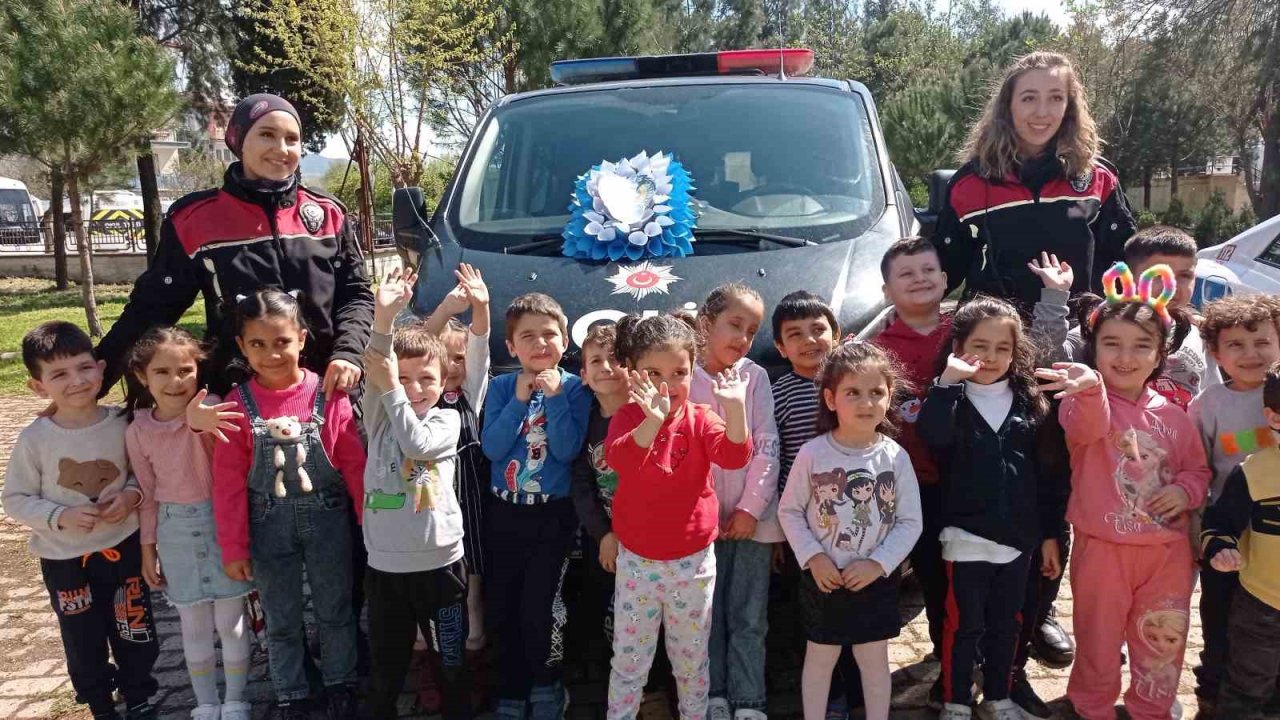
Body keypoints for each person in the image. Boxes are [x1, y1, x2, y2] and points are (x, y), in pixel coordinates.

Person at [95, 93, 373, 398]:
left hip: (330, 391)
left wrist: (348, 353)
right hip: (241, 399)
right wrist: (93, 379)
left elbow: (356, 294)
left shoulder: (329, 212)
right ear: (238, 140)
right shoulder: (193, 218)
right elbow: (151, 308)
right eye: (267, 134)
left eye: (292, 139)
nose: (281, 148)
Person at [1037, 261, 1210, 720]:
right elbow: (1090, 427)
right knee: (1097, 635)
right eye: (1111, 344)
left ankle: (1150, 707)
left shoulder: (1176, 414)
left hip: (1168, 554)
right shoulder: (1081, 401)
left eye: (1141, 346)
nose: (1125, 357)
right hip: (1103, 548)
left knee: (1161, 634)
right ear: (1094, 350)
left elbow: (1197, 470)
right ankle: (1092, 706)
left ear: (1161, 355)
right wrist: (1091, 388)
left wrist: (1186, 493)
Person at [211, 289, 367, 720]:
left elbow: (353, 462)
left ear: (301, 338)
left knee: (335, 609)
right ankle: (292, 691)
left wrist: (366, 521)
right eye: (258, 344)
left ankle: (341, 683)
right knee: (282, 618)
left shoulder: (329, 394)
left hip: (328, 519)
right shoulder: (235, 406)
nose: (272, 354)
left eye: (281, 341)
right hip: (267, 526)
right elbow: (226, 485)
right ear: (242, 346)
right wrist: (234, 548)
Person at [916, 297, 1067, 720]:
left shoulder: (1031, 401)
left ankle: (999, 696)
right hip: (965, 539)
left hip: (1019, 540)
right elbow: (934, 437)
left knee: (1009, 624)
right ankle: (956, 701)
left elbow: (1051, 476)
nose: (992, 357)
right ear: (959, 345)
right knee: (962, 627)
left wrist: (1050, 533)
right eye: (980, 345)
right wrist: (947, 383)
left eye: (1003, 348)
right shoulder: (950, 397)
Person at [2, 321, 158, 720]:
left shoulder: (124, 423)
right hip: (65, 560)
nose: (76, 380)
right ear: (38, 386)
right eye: (59, 374)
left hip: (123, 549)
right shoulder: (35, 439)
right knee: (82, 638)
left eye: (84, 367)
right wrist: (59, 516)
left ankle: (139, 695)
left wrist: (130, 496)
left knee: (133, 628)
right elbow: (15, 499)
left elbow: (144, 473)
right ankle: (100, 703)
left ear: (102, 368)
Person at [604, 313, 753, 720]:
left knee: (690, 663)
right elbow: (621, 460)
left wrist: (736, 410)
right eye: (654, 372)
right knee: (629, 663)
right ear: (632, 373)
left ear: (693, 371)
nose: (667, 385)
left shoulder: (702, 418)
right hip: (639, 564)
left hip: (693, 564)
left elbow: (735, 455)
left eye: (680, 372)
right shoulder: (628, 418)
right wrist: (651, 421)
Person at [778, 340, 923, 720]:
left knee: (873, 661)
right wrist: (814, 558)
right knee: (821, 657)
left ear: (889, 397)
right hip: (823, 581)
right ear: (830, 399)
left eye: (876, 392)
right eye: (853, 392)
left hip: (875, 581)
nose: (866, 402)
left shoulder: (895, 455)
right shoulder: (812, 453)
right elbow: (790, 511)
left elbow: (910, 521)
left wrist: (879, 563)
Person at [933, 51, 1135, 312]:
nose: (1042, 112)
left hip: (1076, 337)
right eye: (1029, 98)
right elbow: (942, 273)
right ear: (1008, 105)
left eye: (1055, 98)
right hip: (993, 340)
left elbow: (1127, 264)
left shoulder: (1099, 178)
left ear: (1069, 106)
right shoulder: (969, 184)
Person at [359, 267, 472, 720]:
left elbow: (417, 445)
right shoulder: (379, 415)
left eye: (426, 379)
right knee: (387, 666)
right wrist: (384, 320)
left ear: (444, 382)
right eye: (403, 378)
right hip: (385, 567)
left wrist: (392, 388)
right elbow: (377, 366)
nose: (414, 388)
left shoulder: (447, 420)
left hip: (440, 564)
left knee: (451, 660)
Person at [124, 327, 253, 720]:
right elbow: (146, 494)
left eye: (185, 370)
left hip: (222, 525)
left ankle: (236, 701)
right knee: (193, 624)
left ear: (199, 370)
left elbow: (233, 465)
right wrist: (148, 550)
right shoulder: (138, 430)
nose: (175, 381)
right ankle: (205, 704)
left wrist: (201, 424)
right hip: (173, 532)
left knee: (231, 622)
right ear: (143, 377)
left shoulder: (216, 406)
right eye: (162, 372)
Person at [480, 293, 591, 719]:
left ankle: (548, 681)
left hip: (552, 516)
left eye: (549, 335)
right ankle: (511, 685)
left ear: (565, 341)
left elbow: (565, 451)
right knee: (503, 604)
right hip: (505, 513)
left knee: (542, 605)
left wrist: (557, 397)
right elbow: (492, 447)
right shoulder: (504, 386)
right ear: (511, 347)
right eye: (528, 336)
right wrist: (520, 401)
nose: (540, 344)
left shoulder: (576, 390)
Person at [867, 237, 952, 707]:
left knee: (965, 578)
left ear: (943, 279)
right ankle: (941, 655)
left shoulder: (967, 332)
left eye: (928, 270)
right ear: (886, 290)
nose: (919, 279)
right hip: (908, 487)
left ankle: (965, 658)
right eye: (906, 273)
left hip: (965, 483)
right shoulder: (877, 349)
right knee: (930, 577)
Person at [689, 283, 780, 720]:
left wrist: (750, 507)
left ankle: (748, 699)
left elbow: (767, 446)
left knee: (748, 616)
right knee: (704, 615)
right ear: (707, 324)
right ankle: (713, 696)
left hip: (752, 522)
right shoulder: (682, 376)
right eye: (735, 324)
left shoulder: (755, 377)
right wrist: (701, 511)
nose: (743, 338)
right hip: (697, 525)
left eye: (752, 329)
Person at [1188, 296, 1280, 713]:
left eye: (1262, 341)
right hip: (1227, 535)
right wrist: (1199, 535)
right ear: (1216, 354)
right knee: (1220, 622)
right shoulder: (1208, 405)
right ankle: (1213, 693)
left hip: (1270, 541)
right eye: (1236, 345)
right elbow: (1196, 468)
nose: (1250, 354)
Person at [421, 263, 492, 708]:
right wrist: (448, 307)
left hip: (471, 508)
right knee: (429, 594)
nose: (453, 365)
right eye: (445, 358)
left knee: (473, 593)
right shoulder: (415, 396)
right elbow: (414, 345)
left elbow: (481, 343)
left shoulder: (471, 394)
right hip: (424, 510)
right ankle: (433, 667)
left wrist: (480, 308)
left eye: (460, 358)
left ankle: (475, 663)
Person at [570, 323, 632, 655]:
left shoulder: (646, 419)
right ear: (583, 374)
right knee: (611, 615)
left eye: (614, 359)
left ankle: (654, 693)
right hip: (605, 541)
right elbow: (582, 485)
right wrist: (604, 534)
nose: (606, 367)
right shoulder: (586, 423)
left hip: (647, 541)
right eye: (596, 361)